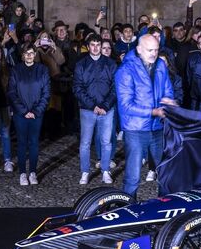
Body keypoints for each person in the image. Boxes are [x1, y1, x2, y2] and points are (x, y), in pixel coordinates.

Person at [115, 34, 175, 199]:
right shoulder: (125, 70)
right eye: (150, 50)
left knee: (164, 171)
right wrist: (152, 111)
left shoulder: (161, 65)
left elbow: (167, 89)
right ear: (139, 49)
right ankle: (126, 208)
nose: (154, 54)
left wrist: (168, 101)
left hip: (157, 127)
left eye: (156, 50)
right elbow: (126, 105)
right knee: (133, 176)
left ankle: (164, 206)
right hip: (135, 129)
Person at [73, 34, 117, 185]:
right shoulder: (81, 64)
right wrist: (93, 106)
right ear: (88, 46)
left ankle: (105, 170)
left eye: (98, 44)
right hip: (87, 110)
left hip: (107, 110)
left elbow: (115, 87)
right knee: (85, 142)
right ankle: (85, 172)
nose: (96, 47)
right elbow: (78, 88)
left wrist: (105, 105)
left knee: (106, 141)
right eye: (93, 44)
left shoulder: (110, 64)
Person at [7, 43, 50, 185]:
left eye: (31, 53)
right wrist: (24, 111)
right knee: (21, 143)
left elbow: (46, 93)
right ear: (22, 55)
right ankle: (22, 173)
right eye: (26, 53)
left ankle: (32, 172)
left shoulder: (42, 70)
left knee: (34, 143)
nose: (29, 55)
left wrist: (36, 111)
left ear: (35, 54)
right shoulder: (16, 70)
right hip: (21, 114)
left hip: (37, 114)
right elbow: (12, 92)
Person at [0, 44, 13, 172]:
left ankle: (8, 160)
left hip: (4, 105)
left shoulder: (7, 69)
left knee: (5, 133)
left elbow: (12, 89)